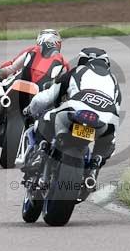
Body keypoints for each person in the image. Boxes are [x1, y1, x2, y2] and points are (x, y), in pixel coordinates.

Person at [21, 47, 122, 185]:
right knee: (108, 142)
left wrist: (29, 110)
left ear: (82, 60)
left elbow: (46, 98)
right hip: (104, 119)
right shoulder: (114, 81)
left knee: (44, 119)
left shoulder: (76, 72)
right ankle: (93, 168)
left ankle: (41, 152)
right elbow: (116, 113)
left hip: (77, 109)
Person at [0, 29, 70, 128]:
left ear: (39, 41)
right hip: (44, 95)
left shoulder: (32, 50)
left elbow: (10, 68)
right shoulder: (64, 62)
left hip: (25, 85)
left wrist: (1, 75)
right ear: (58, 43)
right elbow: (65, 86)